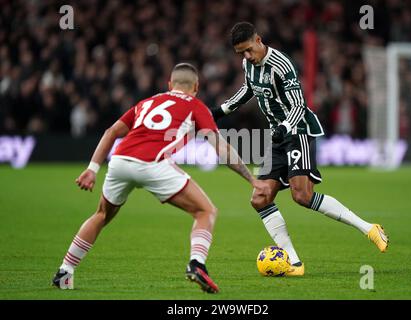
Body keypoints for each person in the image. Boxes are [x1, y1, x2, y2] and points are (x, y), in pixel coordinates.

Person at [52, 63, 267, 293]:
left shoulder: (147, 102)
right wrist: (252, 180)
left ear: (169, 84)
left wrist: (92, 168)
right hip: (153, 163)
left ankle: (65, 271)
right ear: (196, 86)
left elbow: (111, 132)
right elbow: (221, 149)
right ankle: (197, 263)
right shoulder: (196, 106)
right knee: (206, 211)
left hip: (120, 161)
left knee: (101, 215)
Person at [212, 22, 389, 276]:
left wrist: (284, 128)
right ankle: (294, 263)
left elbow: (298, 105)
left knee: (302, 196)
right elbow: (249, 89)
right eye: (241, 53)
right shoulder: (248, 64)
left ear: (259, 40)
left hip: (297, 132)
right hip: (277, 137)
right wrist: (221, 111)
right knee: (260, 198)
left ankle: (369, 228)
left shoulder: (282, 65)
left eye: (249, 50)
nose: (247, 56)